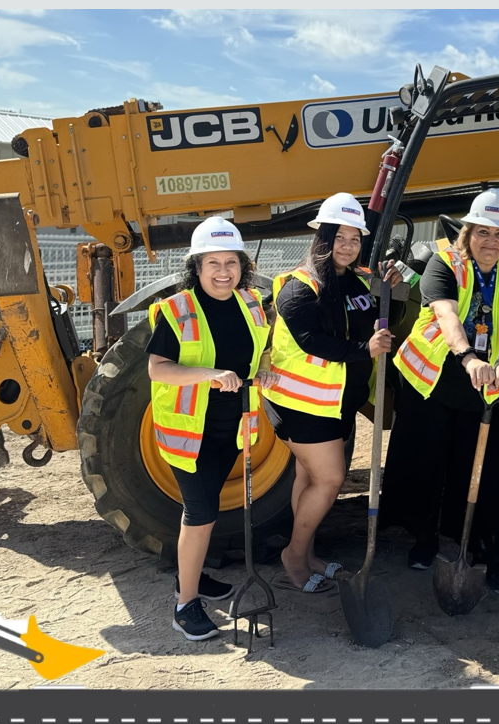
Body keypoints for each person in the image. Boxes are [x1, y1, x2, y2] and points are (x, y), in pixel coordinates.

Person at [381, 188, 499, 599]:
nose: (491, 241)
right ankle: (424, 539)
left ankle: (487, 553)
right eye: (482, 231)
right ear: (467, 233)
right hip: (432, 377)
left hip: (487, 381)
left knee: (482, 472)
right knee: (427, 461)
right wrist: (468, 357)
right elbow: (446, 315)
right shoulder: (443, 263)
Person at [263, 192, 406, 594]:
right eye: (338, 237)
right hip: (303, 405)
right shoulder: (299, 288)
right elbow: (312, 342)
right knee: (330, 479)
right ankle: (293, 557)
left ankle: (307, 555)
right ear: (321, 238)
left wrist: (393, 288)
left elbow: (377, 321)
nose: (347, 245)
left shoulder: (356, 280)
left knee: (309, 476)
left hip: (337, 401)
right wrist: (366, 351)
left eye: (354, 238)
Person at [145, 216, 277, 641]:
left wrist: (266, 369)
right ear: (196, 268)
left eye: (231, 263)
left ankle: (193, 578)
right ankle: (185, 606)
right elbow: (158, 369)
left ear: (242, 266)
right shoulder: (177, 310)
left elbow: (262, 351)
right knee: (199, 514)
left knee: (208, 511)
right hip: (190, 434)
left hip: (230, 430)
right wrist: (210, 373)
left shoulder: (252, 303)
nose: (223, 272)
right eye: (213, 263)